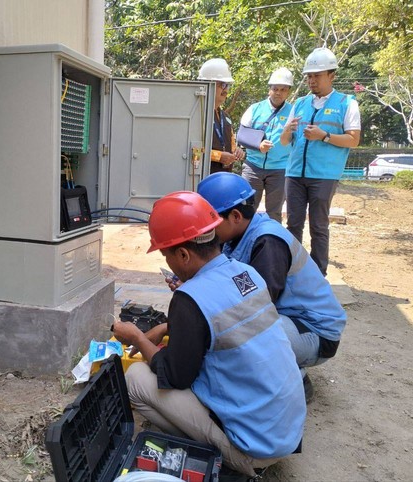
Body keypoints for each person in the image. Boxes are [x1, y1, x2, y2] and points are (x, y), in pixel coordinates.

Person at [112, 191, 305, 477]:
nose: (170, 262)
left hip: (255, 449)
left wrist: (138, 338)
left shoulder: (189, 298)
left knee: (136, 379)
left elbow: (175, 377)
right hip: (287, 430)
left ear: (183, 254)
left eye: (167, 254)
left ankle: (220, 456)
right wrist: (169, 327)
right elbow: (225, 324)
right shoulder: (245, 273)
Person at [197, 172, 347, 401]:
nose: (206, 230)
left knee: (240, 336)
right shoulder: (235, 235)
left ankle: (294, 378)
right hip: (290, 320)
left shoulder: (268, 242)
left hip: (314, 330)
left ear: (235, 216)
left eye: (210, 223)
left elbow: (256, 308)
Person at [280, 47, 361, 276]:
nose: (311, 80)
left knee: (318, 226)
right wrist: (287, 130)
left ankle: (317, 275)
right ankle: (291, 270)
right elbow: (285, 141)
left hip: (324, 176)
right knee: (293, 225)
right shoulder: (300, 103)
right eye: (309, 76)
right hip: (295, 173)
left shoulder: (347, 103)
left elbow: (353, 140)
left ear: (331, 75)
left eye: (317, 75)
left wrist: (324, 136)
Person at [239, 67, 294, 222]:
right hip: (253, 167)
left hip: (280, 169)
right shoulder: (255, 108)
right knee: (246, 209)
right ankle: (243, 243)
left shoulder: (293, 111)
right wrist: (259, 145)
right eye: (275, 89)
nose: (278, 93)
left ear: (288, 91)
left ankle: (272, 243)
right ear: (269, 89)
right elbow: (241, 135)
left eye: (283, 89)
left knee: (274, 213)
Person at [198, 58, 246, 174]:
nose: (225, 90)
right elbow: (191, 149)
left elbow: (231, 145)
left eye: (227, 86)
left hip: (222, 179)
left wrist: (237, 151)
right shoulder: (197, 115)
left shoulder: (226, 117)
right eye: (222, 85)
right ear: (208, 84)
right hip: (201, 178)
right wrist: (218, 156)